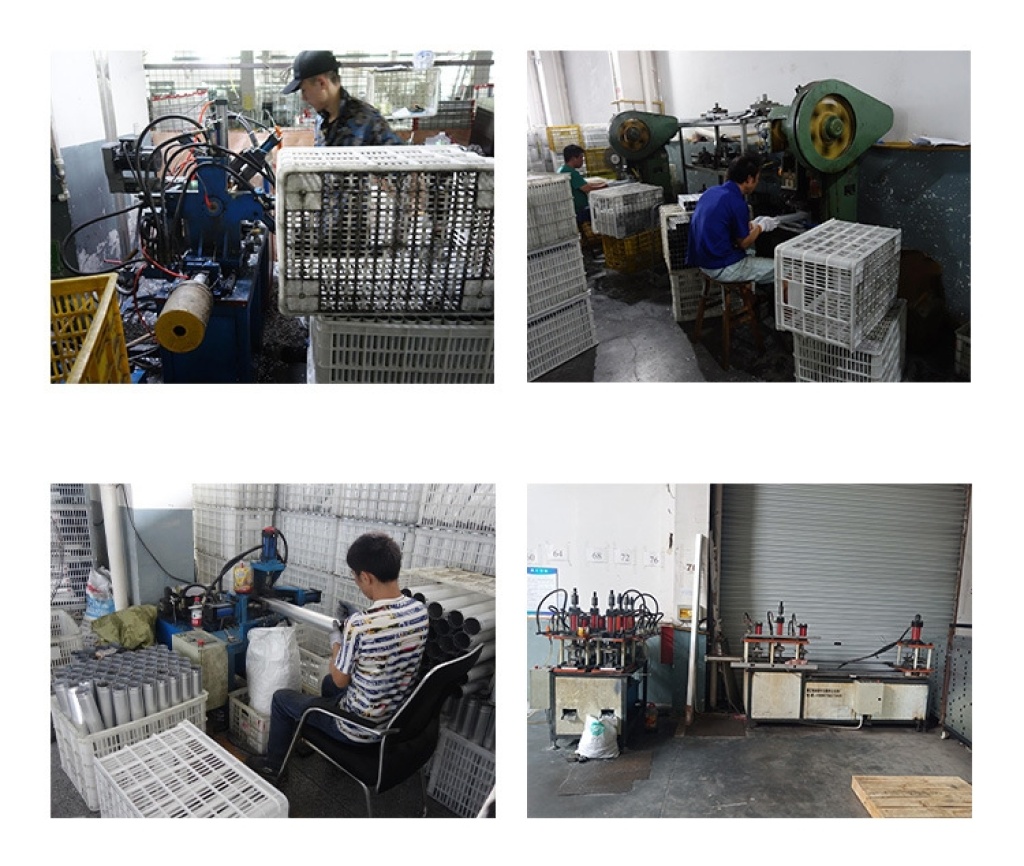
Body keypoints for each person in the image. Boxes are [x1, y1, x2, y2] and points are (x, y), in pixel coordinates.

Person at [247, 531, 429, 782]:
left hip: (358, 728)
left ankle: (274, 767)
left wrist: (338, 640)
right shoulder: (419, 611)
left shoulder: (361, 625)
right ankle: (313, 735)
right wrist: (355, 625)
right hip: (395, 718)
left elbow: (340, 679)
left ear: (366, 577)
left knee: (281, 700)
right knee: (326, 685)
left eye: (356, 578)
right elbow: (387, 638)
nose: (357, 583)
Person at [686, 153, 780, 286]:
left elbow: (722, 225)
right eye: (757, 179)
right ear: (749, 179)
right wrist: (761, 227)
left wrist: (751, 225)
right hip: (721, 267)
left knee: (752, 252)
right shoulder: (737, 202)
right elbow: (744, 243)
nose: (757, 183)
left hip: (703, 262)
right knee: (784, 270)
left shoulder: (711, 192)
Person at [283, 51, 404, 147]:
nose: (303, 98)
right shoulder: (321, 119)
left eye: (304, 90)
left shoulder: (369, 121)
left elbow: (401, 164)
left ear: (321, 83)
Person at [558, 144, 608, 224]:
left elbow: (583, 184)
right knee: (603, 213)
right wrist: (605, 187)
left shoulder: (562, 169)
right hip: (578, 212)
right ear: (573, 158)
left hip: (570, 210)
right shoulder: (571, 173)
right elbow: (587, 188)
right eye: (581, 157)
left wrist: (600, 184)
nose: (582, 160)